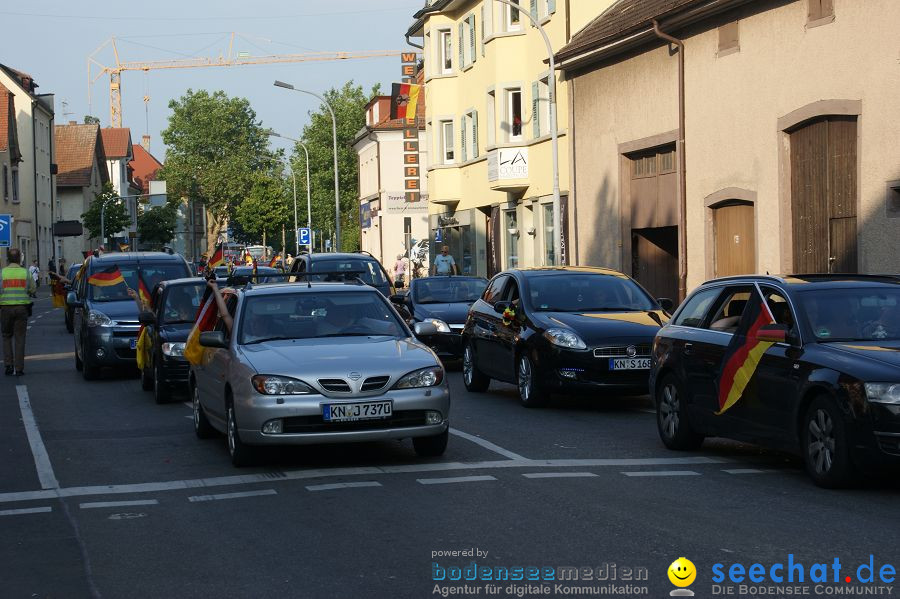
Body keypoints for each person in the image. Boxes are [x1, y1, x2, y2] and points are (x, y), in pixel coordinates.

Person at [1, 248, 36, 376]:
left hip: (5, 309)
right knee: (20, 338)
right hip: (22, 309)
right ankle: (19, 368)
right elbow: (32, 289)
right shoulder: (25, 273)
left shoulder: (2, 273)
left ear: (8, 259)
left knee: (6, 336)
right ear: (19, 259)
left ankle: (8, 366)